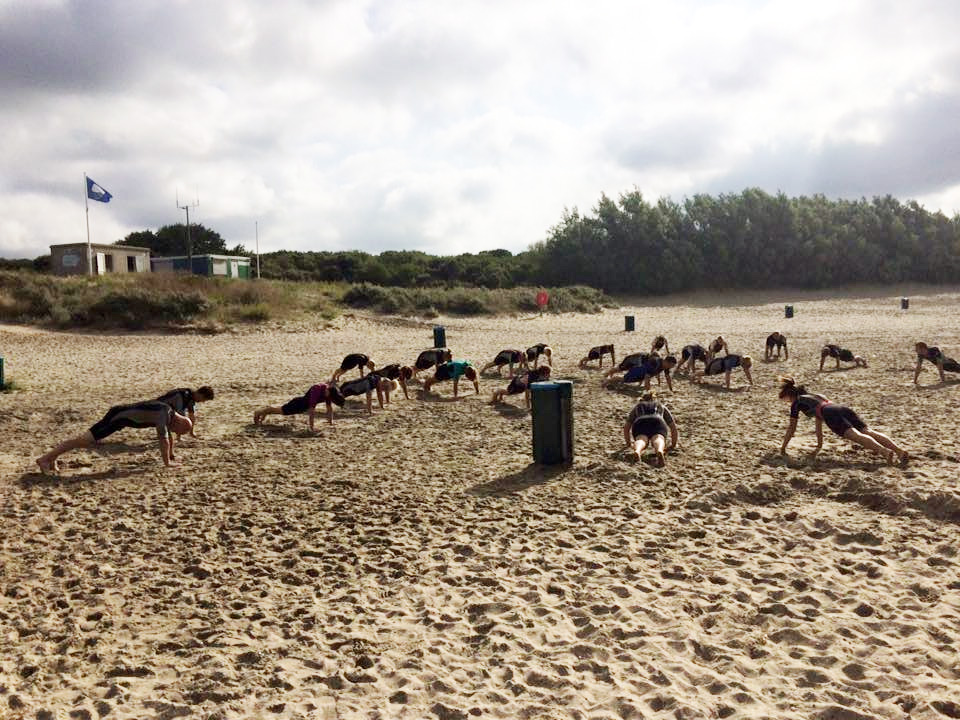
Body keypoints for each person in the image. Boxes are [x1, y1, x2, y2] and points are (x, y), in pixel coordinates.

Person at [777, 376, 908, 464]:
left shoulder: (797, 403)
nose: (788, 403)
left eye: (787, 400)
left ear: (789, 395)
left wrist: (783, 448)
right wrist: (819, 445)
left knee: (856, 436)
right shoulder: (815, 396)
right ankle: (899, 451)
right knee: (868, 431)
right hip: (840, 408)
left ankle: (885, 452)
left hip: (830, 413)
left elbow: (792, 428)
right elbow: (818, 424)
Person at [36, 401, 193, 473]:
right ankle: (45, 459)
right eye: (178, 431)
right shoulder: (163, 416)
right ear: (178, 424)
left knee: (83, 441)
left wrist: (170, 457)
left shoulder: (168, 411)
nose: (175, 432)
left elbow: (167, 437)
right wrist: (167, 463)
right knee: (84, 441)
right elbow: (163, 439)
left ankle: (52, 457)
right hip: (117, 418)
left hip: (118, 416)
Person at [253, 383, 345, 430]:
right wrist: (312, 427)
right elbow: (312, 411)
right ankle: (259, 412)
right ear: (328, 390)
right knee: (280, 411)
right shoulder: (317, 389)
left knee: (279, 410)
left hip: (302, 406)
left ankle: (265, 411)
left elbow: (329, 409)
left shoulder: (329, 393)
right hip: (298, 404)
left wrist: (330, 422)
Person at [622, 392, 679, 467]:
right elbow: (673, 427)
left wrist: (628, 444)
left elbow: (626, 427)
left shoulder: (638, 407)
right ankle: (659, 450)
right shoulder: (660, 406)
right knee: (658, 437)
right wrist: (673, 444)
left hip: (640, 421)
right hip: (657, 420)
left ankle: (637, 451)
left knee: (641, 439)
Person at [605, 355, 677, 391]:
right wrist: (648, 392)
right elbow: (647, 378)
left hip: (640, 365)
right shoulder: (655, 363)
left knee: (622, 375)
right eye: (671, 365)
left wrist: (671, 389)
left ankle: (608, 378)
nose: (671, 367)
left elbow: (668, 378)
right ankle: (606, 379)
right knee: (620, 370)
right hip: (633, 360)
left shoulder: (665, 366)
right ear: (667, 362)